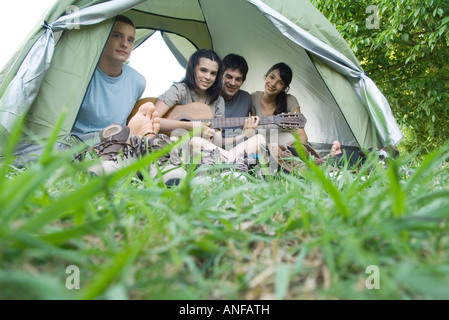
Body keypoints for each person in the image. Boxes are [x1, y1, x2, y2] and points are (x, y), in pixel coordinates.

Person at [154, 49, 265, 169]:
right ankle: (232, 164)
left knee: (260, 139)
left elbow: (218, 142)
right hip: (177, 149)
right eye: (203, 70)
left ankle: (227, 163)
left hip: (205, 152)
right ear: (193, 69)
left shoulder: (218, 101)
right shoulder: (179, 90)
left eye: (213, 73)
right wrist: (192, 126)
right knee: (195, 141)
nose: (208, 77)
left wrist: (243, 134)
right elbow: (152, 120)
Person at [71, 15, 146, 146]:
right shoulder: (81, 74)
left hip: (118, 144)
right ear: (103, 37)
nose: (124, 44)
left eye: (130, 40)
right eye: (117, 36)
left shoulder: (138, 81)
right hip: (78, 145)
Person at [220, 53, 253, 144]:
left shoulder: (247, 98)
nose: (233, 83)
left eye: (238, 79)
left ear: (243, 81)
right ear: (220, 75)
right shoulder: (208, 97)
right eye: (229, 77)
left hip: (239, 148)